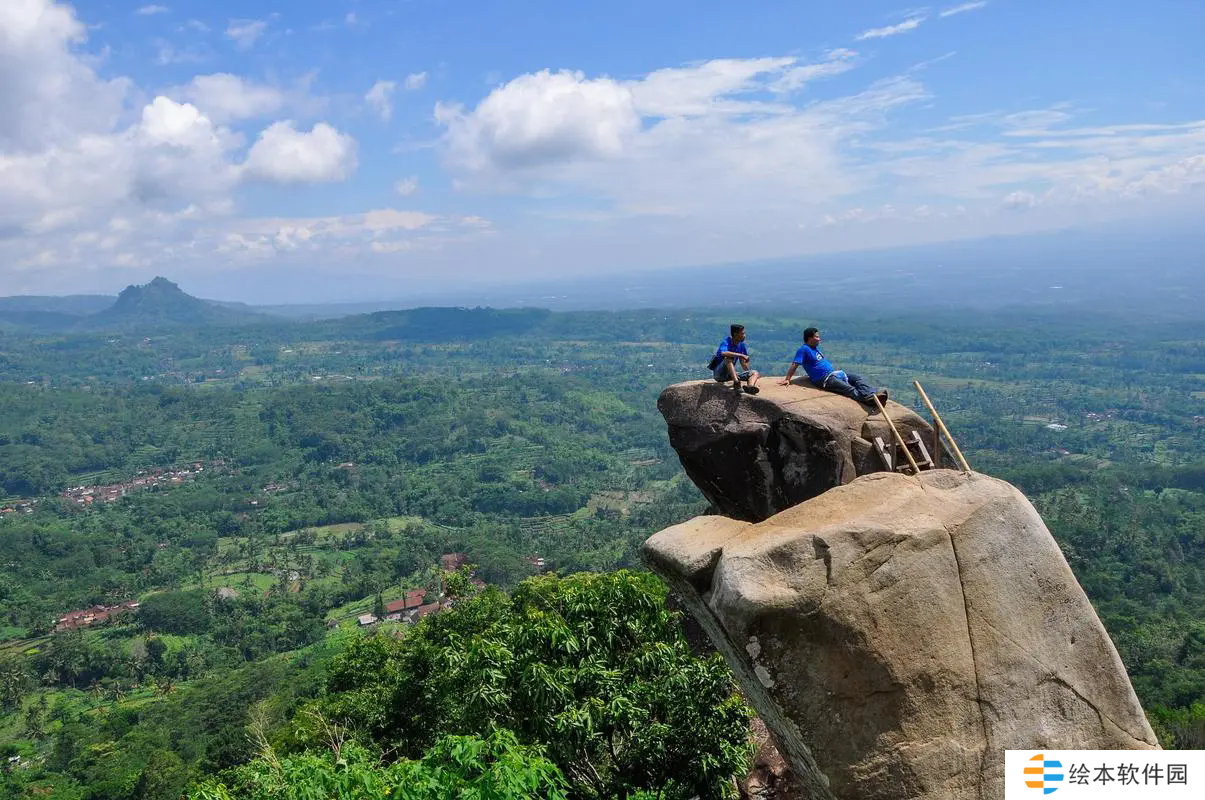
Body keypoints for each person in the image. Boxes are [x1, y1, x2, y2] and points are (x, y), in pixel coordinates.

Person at [780, 327, 888, 405]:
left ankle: (871, 393)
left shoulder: (814, 348)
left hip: (833, 374)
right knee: (849, 389)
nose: (819, 339)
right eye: (816, 337)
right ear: (809, 338)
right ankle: (870, 400)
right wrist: (788, 379)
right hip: (825, 380)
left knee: (858, 378)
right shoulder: (803, 349)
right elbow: (795, 364)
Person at [712, 324, 760, 394]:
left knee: (755, 373)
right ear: (735, 334)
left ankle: (750, 387)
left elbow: (743, 364)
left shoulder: (741, 345)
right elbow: (723, 353)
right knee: (728, 358)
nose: (744, 336)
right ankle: (736, 383)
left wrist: (748, 374)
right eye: (742, 333)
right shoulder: (726, 342)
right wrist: (741, 355)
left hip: (730, 375)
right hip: (719, 375)